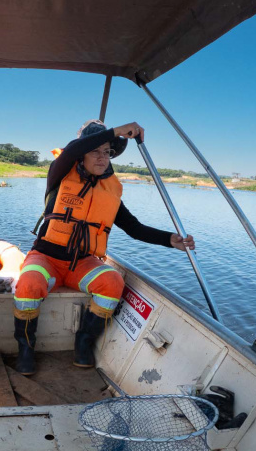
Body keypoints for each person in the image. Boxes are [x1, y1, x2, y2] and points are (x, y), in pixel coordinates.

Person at [12, 120, 195, 375]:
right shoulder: (60, 172)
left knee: (112, 282)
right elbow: (71, 151)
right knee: (29, 283)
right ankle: (26, 348)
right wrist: (117, 131)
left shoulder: (109, 192)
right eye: (95, 151)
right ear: (81, 155)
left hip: (83, 264)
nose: (102, 157)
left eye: (107, 152)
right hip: (46, 258)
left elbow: (134, 228)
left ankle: (84, 342)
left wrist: (169, 239)